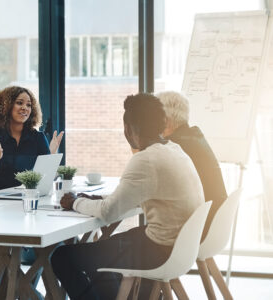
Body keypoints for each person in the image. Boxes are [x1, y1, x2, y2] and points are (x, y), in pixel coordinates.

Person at [51, 93, 204, 299]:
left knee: (62, 257)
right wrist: (102, 200)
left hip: (159, 252)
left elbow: (108, 214)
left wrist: (75, 202)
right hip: (179, 249)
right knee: (105, 249)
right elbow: (137, 195)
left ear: (130, 129)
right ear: (162, 122)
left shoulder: (146, 159)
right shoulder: (176, 150)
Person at [156, 91, 227, 241]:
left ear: (165, 120)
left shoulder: (175, 146)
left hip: (198, 228)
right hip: (216, 222)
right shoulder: (194, 136)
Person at [0, 86, 64, 191]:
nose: (25, 108)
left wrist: (51, 155)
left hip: (25, 197)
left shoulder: (38, 138)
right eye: (19, 103)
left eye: (28, 105)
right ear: (5, 106)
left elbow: (45, 179)